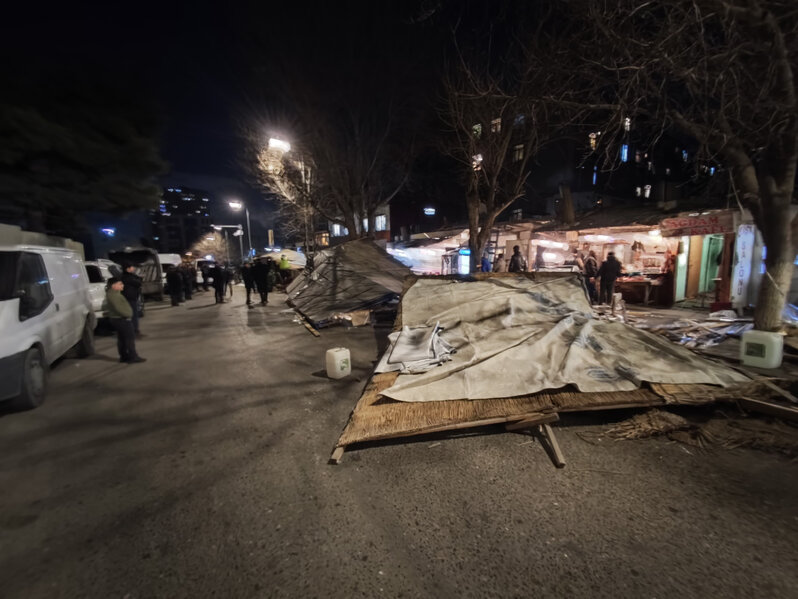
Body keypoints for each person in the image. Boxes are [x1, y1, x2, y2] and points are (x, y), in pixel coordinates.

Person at [104, 277, 145, 363]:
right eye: (120, 284)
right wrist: (128, 314)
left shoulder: (113, 294)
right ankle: (133, 356)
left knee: (122, 339)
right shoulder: (114, 295)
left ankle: (124, 356)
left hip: (117, 319)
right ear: (113, 286)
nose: (122, 285)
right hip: (121, 319)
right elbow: (119, 308)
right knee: (129, 338)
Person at [120, 263, 143, 337]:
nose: (133, 268)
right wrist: (139, 278)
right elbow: (138, 283)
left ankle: (130, 331)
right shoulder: (128, 277)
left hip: (128, 298)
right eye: (132, 267)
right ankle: (134, 332)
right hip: (130, 298)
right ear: (127, 269)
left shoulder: (125, 276)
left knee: (129, 316)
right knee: (133, 315)